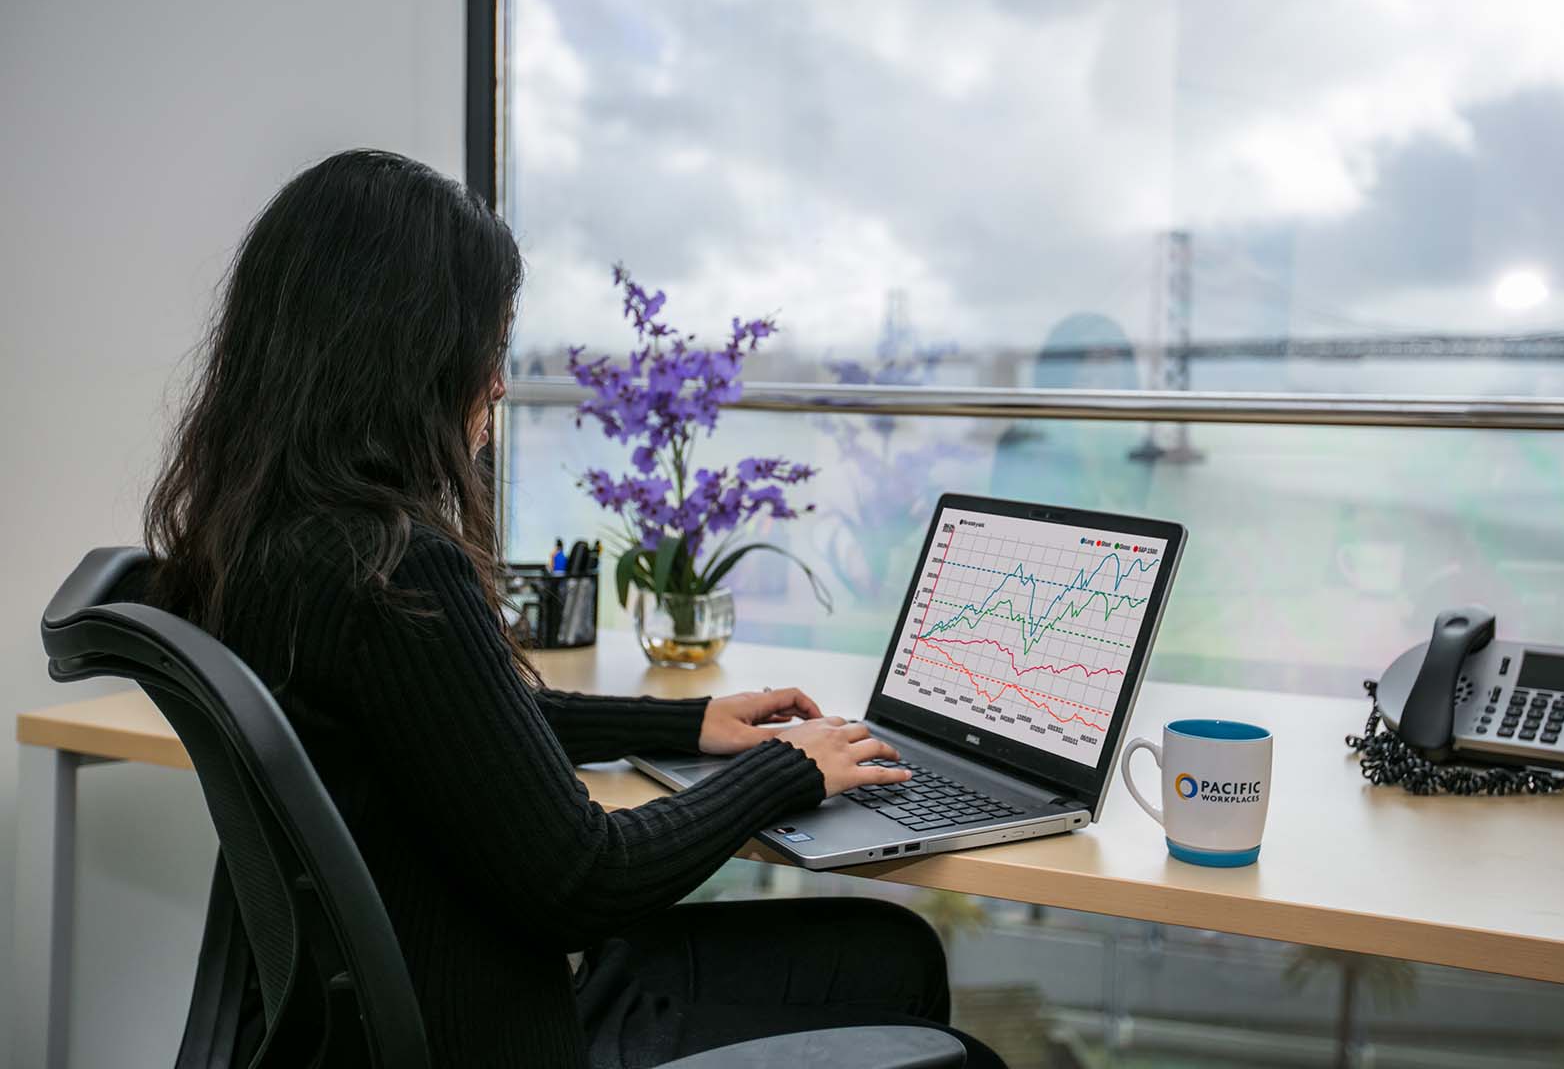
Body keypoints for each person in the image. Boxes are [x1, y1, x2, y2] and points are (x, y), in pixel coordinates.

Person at [139, 150, 1004, 1069]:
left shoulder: (257, 541)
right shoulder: (394, 571)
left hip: (410, 1008)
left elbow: (461, 725)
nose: (500, 383)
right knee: (954, 1050)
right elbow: (585, 876)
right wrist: (788, 769)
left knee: (892, 950)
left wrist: (692, 724)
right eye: (489, 345)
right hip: (501, 1030)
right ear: (406, 352)